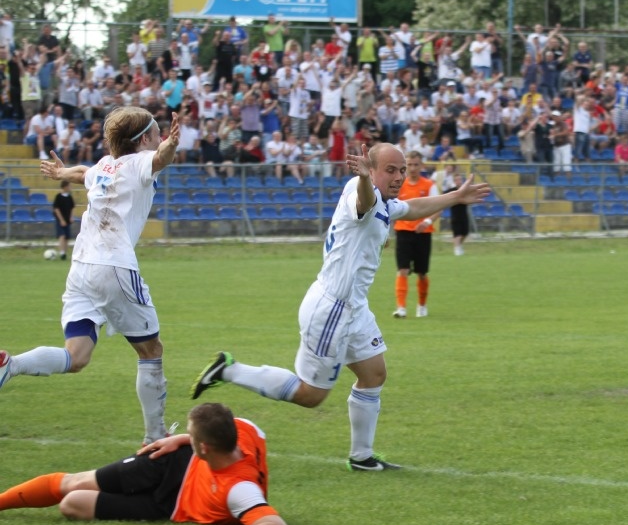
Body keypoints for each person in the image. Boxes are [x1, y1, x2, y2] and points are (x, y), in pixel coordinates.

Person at [189, 143, 491, 471]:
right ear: (370, 170)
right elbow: (364, 202)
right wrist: (363, 180)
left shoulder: (386, 203)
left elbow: (411, 208)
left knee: (374, 373)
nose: (399, 176)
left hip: (353, 308)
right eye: (390, 170)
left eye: (402, 170)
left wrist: (454, 197)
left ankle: (361, 456)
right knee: (311, 395)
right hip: (332, 309)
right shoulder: (360, 195)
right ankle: (229, 369)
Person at [0, 107, 181, 446]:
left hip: (82, 268)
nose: (159, 138)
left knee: (76, 356)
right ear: (144, 139)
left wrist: (61, 173)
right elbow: (161, 158)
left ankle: (9, 365)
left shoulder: (103, 167)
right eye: (156, 132)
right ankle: (154, 436)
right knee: (151, 350)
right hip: (114, 268)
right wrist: (171, 144)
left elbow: (83, 171)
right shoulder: (142, 161)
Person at [0, 403, 291, 525]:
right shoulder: (243, 428)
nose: (182, 435)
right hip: (167, 464)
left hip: (167, 506)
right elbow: (216, 429)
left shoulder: (239, 489)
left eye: (187, 434)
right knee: (73, 483)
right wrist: (177, 441)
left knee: (72, 504)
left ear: (204, 446)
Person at [392, 151, 441, 318]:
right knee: (402, 269)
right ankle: (401, 308)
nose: (412, 168)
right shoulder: (398, 184)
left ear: (422, 166)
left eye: (416, 164)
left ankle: (421, 305)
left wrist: (427, 222)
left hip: (423, 233)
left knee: (422, 273)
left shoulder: (429, 185)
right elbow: (389, 208)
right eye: (409, 165)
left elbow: (438, 207)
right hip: (403, 232)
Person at [52, 181, 75, 261]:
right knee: (62, 236)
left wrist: (71, 217)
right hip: (60, 220)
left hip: (67, 220)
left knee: (67, 237)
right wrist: (61, 220)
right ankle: (61, 252)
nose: (70, 188)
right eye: (69, 186)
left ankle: (65, 253)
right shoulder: (58, 196)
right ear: (65, 187)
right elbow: (56, 209)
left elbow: (72, 208)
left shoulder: (69, 197)